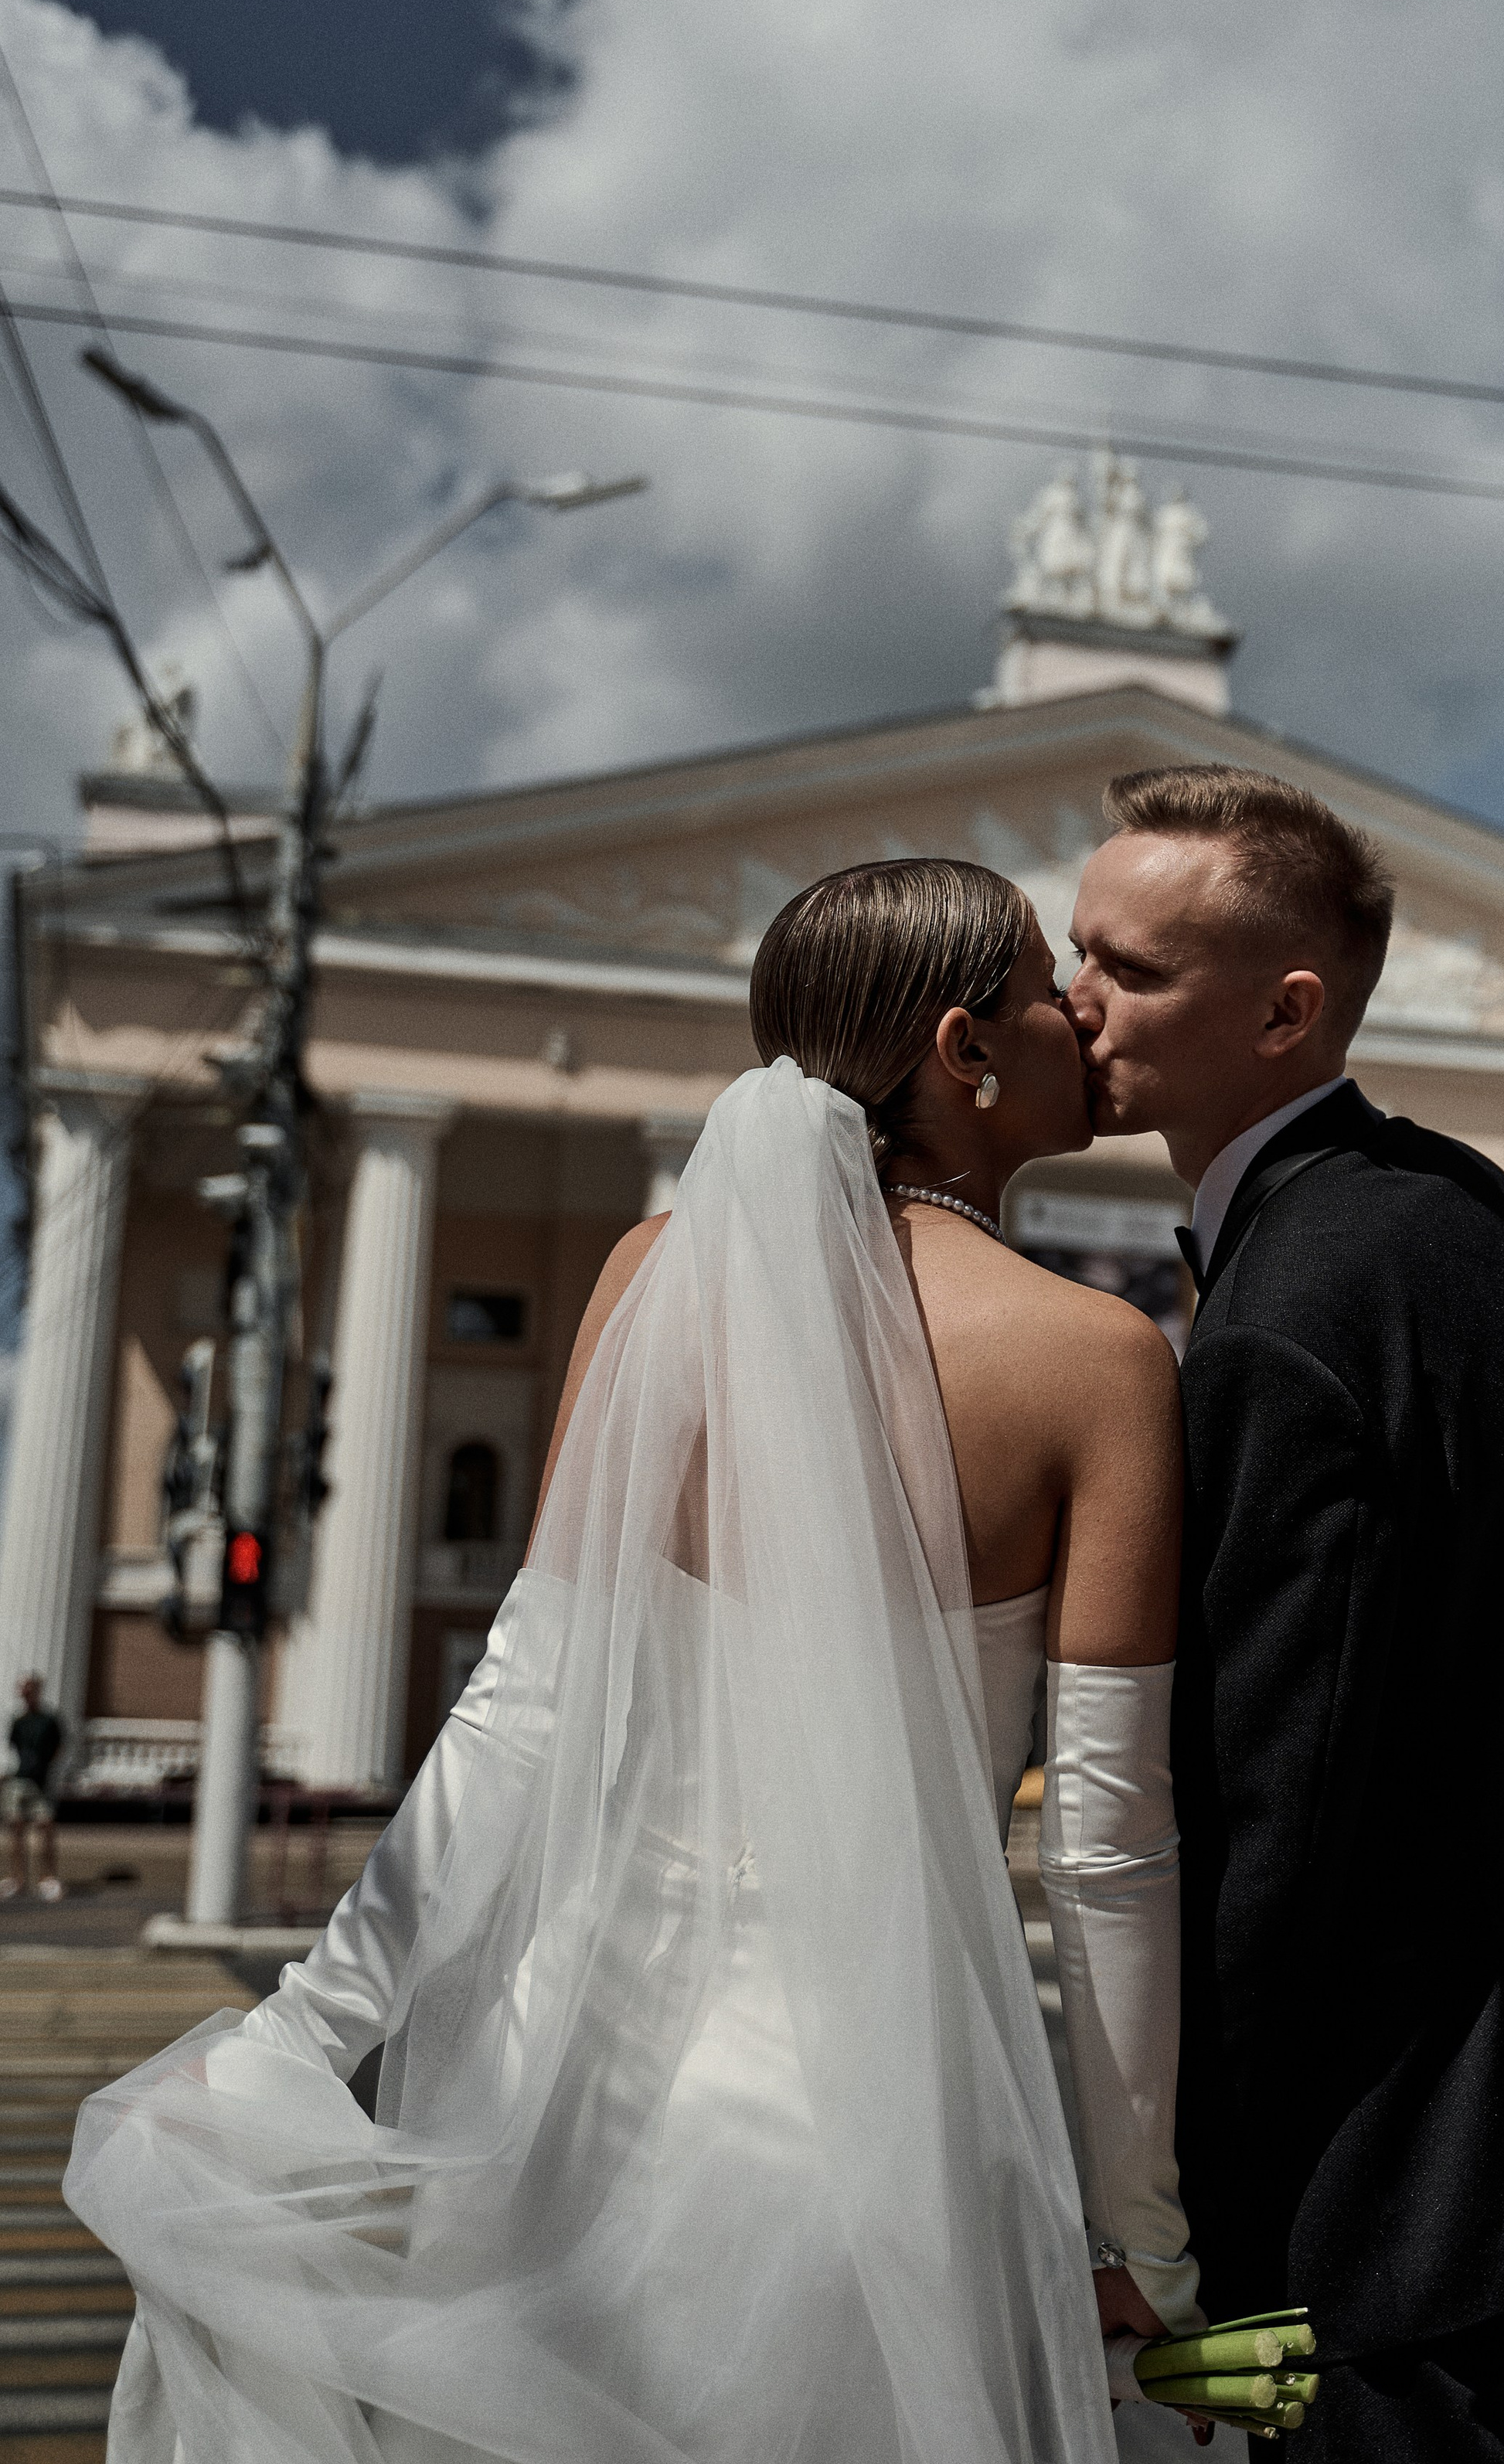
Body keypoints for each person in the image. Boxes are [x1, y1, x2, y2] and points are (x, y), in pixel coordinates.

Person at [70, 859, 1196, 2462]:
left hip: (571, 2082)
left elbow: (516, 1716)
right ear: (964, 1051)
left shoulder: (652, 1281)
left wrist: (302, 2035)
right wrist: (1140, 2229)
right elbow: (1105, 1852)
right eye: (1040, 985)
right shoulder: (1099, 1361)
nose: (1077, 1010)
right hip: (876, 2121)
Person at [1067, 764, 1504, 2463]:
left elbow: (1272, 1813)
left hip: (1409, 2212)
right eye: (1074, 947)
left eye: (1129, 967)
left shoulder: (1291, 1307)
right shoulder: (1451, 1205)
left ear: (1284, 1011)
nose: (1070, 996)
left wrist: (1171, 2215)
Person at [2, 1675, 63, 1904]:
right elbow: (12, 1748)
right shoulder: (18, 1721)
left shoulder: (49, 1721)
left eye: (28, 1690)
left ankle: (48, 1878)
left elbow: (59, 1747)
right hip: (19, 1781)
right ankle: (18, 1879)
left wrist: (46, 1768)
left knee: (46, 1826)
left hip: (40, 1783)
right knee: (17, 1829)